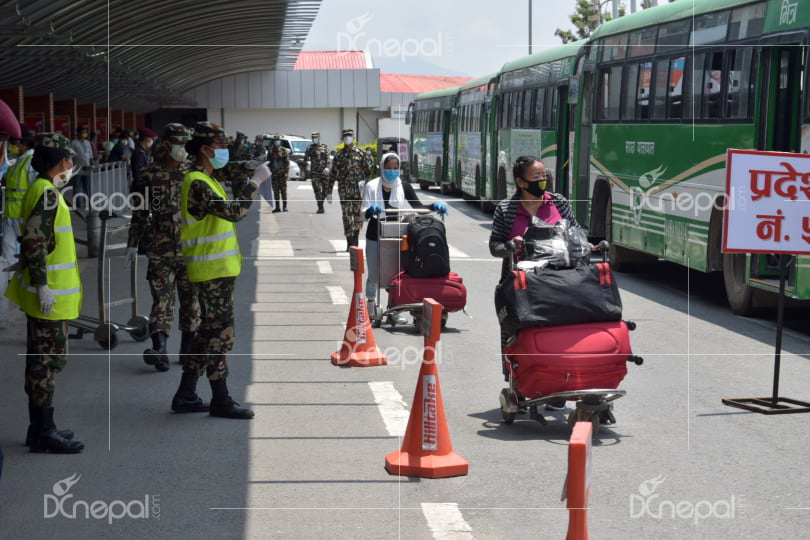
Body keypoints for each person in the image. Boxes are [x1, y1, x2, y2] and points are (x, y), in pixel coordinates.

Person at [172, 121, 270, 419]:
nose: (225, 152)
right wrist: (255, 182)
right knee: (219, 336)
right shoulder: (198, 183)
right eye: (220, 147)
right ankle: (221, 399)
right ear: (204, 149)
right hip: (210, 272)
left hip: (216, 271)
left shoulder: (205, 176)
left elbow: (229, 169)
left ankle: (186, 394)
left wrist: (249, 165)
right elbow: (235, 212)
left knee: (206, 334)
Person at [4, 133, 84, 453]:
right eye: (68, 158)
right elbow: (35, 241)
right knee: (45, 363)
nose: (71, 165)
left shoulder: (42, 188)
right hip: (49, 297)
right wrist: (42, 285)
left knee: (43, 361)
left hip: (48, 295)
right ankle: (43, 432)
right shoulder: (48, 194)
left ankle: (41, 428)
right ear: (58, 161)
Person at [489, 156, 582, 409]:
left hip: (560, 280)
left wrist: (586, 245)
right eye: (536, 177)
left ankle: (560, 384)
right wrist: (511, 245)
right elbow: (494, 246)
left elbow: (576, 232)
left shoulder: (559, 203)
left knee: (559, 334)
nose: (542, 181)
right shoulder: (507, 209)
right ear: (520, 181)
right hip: (520, 283)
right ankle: (518, 383)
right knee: (517, 335)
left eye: (544, 176)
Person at [125, 124, 200, 372]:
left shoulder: (195, 172)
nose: (185, 150)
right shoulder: (149, 175)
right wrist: (132, 244)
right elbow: (141, 213)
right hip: (161, 250)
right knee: (162, 301)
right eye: (181, 144)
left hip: (191, 250)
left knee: (191, 302)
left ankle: (187, 351)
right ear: (167, 145)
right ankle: (160, 350)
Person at [361, 152, 447, 319]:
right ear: (381, 167)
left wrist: (435, 207)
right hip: (375, 234)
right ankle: (370, 305)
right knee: (374, 273)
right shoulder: (371, 186)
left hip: (397, 234)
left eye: (395, 168)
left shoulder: (403, 186)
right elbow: (362, 213)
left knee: (396, 273)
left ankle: (394, 308)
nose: (392, 171)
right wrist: (370, 211)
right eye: (388, 168)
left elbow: (418, 207)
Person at [2, 127, 36, 270]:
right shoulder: (16, 161)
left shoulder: (31, 162)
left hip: (23, 215)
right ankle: (10, 283)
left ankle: (22, 281)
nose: (12, 146)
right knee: (8, 248)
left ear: (24, 144)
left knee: (23, 250)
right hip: (10, 214)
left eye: (14, 143)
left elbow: (35, 189)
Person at [331, 129, 370, 250]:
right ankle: (350, 242)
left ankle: (355, 239)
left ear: (353, 138)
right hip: (344, 192)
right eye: (345, 136)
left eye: (349, 136)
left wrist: (367, 189)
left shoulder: (361, 154)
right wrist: (328, 191)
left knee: (358, 217)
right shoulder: (338, 155)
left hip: (358, 192)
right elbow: (333, 173)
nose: (348, 138)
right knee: (347, 218)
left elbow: (368, 173)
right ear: (343, 138)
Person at [305, 131, 331, 214]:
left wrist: (327, 167)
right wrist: (307, 162)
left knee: (325, 190)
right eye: (313, 137)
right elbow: (305, 158)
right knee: (317, 190)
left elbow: (328, 159)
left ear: (319, 138)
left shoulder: (325, 147)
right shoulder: (310, 148)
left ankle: (321, 203)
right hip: (314, 172)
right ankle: (320, 207)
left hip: (324, 172)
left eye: (316, 137)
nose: (314, 139)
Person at [268, 134, 290, 213]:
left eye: (278, 140)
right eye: (275, 140)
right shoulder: (270, 151)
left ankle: (285, 206)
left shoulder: (284, 150)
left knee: (283, 191)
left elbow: (287, 163)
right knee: (275, 191)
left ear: (280, 141)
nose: (277, 142)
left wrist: (286, 173)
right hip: (274, 174)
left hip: (282, 174)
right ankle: (277, 207)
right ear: (273, 142)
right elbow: (268, 162)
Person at [70, 126, 92, 198]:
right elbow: (71, 155)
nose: (84, 134)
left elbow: (90, 155)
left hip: (87, 167)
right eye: (83, 132)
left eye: (85, 132)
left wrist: (91, 164)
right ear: (78, 133)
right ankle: (77, 202)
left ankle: (87, 200)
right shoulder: (74, 143)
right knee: (77, 186)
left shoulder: (88, 143)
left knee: (87, 186)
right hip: (77, 168)